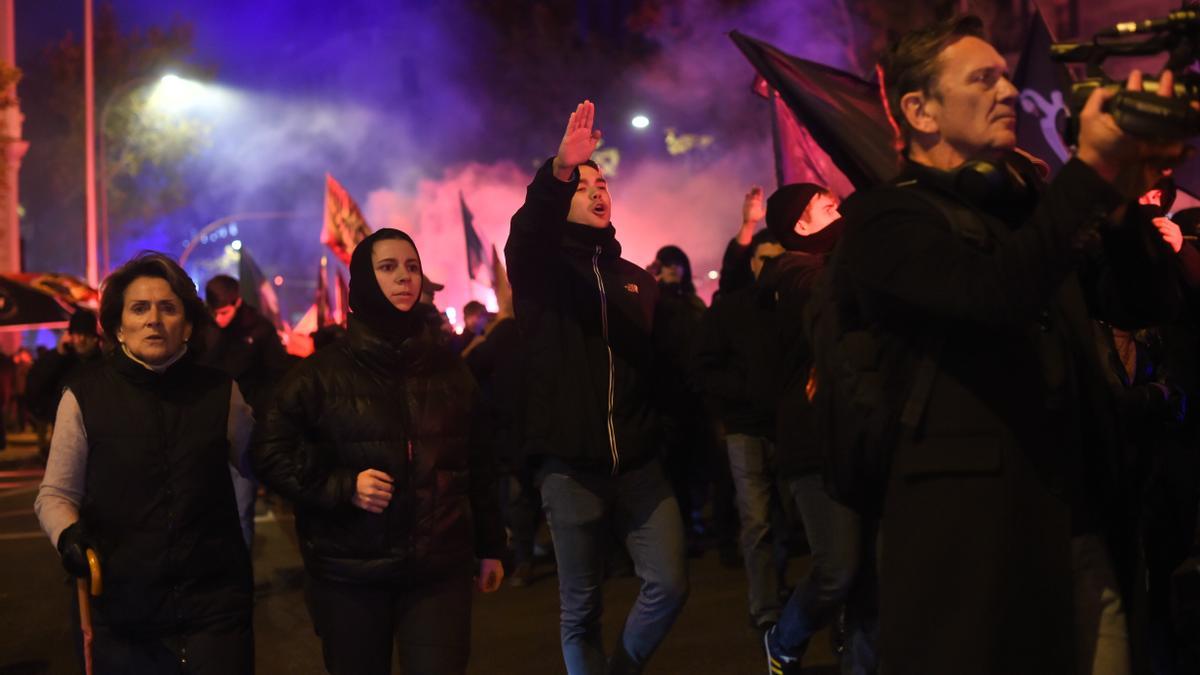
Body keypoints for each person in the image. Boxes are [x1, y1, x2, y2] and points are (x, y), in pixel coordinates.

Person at [816, 15, 1185, 675]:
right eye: (982, 78)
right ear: (919, 110)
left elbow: (1141, 303)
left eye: (1008, 76)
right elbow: (993, 294)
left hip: (1081, 529)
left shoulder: (1032, 208)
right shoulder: (885, 222)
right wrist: (1090, 169)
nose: (1009, 91)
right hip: (974, 549)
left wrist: (1124, 203)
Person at [252, 228, 506, 675]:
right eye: (388, 268)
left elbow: (479, 462)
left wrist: (491, 545)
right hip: (349, 575)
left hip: (438, 572)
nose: (404, 277)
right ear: (365, 282)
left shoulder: (450, 369)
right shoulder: (319, 375)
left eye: (411, 267)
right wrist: (343, 486)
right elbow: (270, 453)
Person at [505, 100, 688, 675]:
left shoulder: (636, 280)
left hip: (638, 464)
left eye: (602, 182)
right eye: (584, 186)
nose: (597, 191)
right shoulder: (540, 271)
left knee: (670, 582)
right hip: (569, 465)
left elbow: (662, 368)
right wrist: (560, 170)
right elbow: (528, 232)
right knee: (581, 606)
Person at [34, 252, 255, 675]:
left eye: (168, 308)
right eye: (139, 308)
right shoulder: (84, 396)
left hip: (216, 609)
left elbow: (261, 460)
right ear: (118, 326)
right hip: (123, 612)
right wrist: (69, 536)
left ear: (187, 325)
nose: (154, 319)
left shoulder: (222, 393)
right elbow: (56, 494)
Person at [758, 184, 879, 674]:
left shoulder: (837, 267)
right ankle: (783, 637)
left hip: (858, 432)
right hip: (813, 444)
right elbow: (828, 296)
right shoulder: (792, 273)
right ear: (799, 227)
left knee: (872, 572)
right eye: (827, 208)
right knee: (837, 567)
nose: (840, 213)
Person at [693, 227, 786, 631]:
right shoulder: (730, 310)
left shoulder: (794, 304)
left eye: (777, 259)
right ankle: (765, 605)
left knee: (784, 516)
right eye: (764, 259)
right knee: (758, 519)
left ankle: (775, 594)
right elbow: (703, 368)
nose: (769, 267)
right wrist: (741, 396)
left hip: (786, 425)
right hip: (746, 427)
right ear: (752, 263)